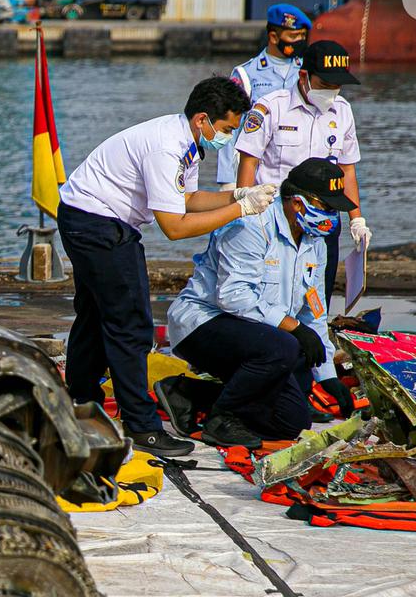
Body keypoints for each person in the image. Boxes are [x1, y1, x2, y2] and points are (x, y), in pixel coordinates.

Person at [57, 77, 278, 457]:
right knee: (131, 326)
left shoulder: (188, 143)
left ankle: (79, 399)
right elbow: (174, 228)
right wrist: (239, 210)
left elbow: (188, 198)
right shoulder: (166, 147)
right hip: (97, 222)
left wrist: (236, 194)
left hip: (92, 217)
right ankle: (142, 426)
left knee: (97, 314)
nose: (227, 137)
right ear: (202, 120)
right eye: (226, 129)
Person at [160, 158, 358, 449]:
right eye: (326, 207)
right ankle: (220, 419)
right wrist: (295, 329)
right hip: (202, 324)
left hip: (261, 337)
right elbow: (233, 296)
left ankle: (189, 394)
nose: (331, 216)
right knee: (286, 345)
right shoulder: (251, 225)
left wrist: (327, 376)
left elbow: (313, 313)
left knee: (292, 421)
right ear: (297, 203)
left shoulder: (315, 239)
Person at [234, 40, 371, 308]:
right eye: (324, 84)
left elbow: (347, 169)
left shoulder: (342, 111)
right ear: (304, 76)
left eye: (336, 86)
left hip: (325, 215)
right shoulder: (271, 107)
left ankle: (315, 341)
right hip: (277, 216)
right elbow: (249, 161)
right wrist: (243, 210)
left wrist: (357, 219)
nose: (331, 91)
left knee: (317, 294)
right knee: (272, 289)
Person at [217, 4, 312, 191]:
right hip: (255, 170)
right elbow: (230, 127)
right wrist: (227, 180)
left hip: (295, 168)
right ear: (274, 37)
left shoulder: (307, 72)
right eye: (293, 36)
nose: (299, 41)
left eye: (302, 36)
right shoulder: (246, 74)